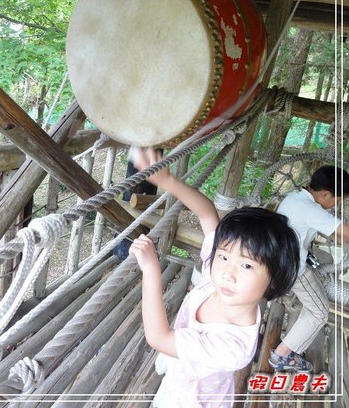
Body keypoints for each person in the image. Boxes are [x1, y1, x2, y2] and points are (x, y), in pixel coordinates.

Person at [130, 148, 300, 407]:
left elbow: (159, 337)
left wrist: (152, 269)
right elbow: (208, 214)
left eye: (246, 266)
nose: (227, 273)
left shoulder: (233, 348)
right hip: (180, 371)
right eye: (223, 257)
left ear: (274, 279)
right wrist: (168, 181)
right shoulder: (218, 278)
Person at [269, 165, 349, 373]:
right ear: (325, 194)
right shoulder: (311, 209)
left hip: (277, 258)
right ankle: (282, 355)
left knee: (324, 262)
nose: (335, 206)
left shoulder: (296, 197)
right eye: (337, 201)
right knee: (320, 312)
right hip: (291, 269)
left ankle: (295, 342)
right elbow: (345, 232)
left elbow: (335, 231)